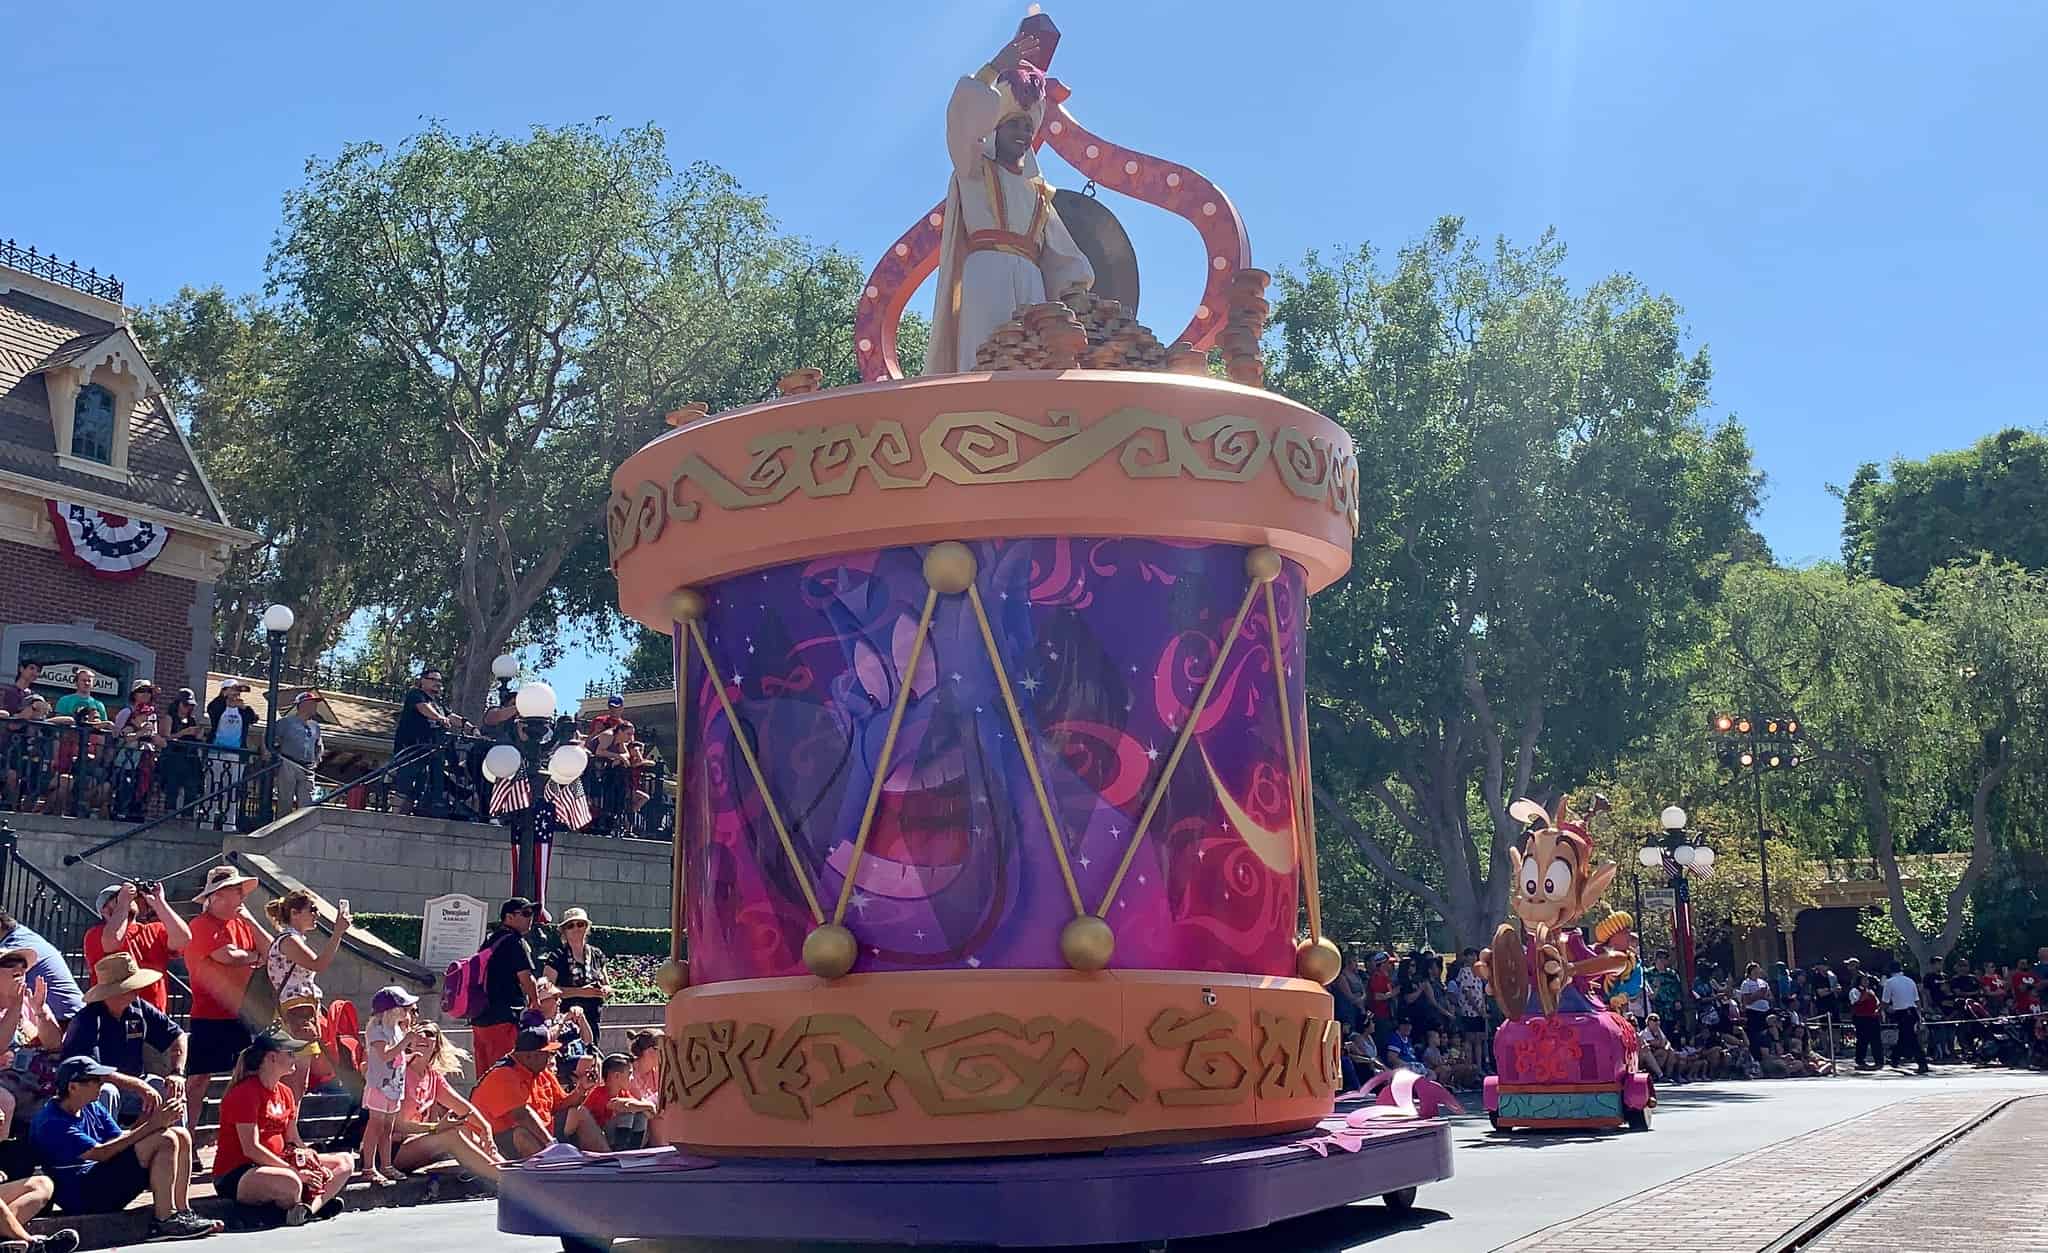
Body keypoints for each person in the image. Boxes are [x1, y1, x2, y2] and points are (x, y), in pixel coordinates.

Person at [925, 27, 1094, 374]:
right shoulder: (973, 170)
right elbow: (962, 121)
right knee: (983, 359)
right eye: (1013, 125)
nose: (1022, 134)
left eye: (1027, 128)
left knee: (1031, 363)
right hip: (985, 275)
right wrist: (991, 70)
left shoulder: (1039, 193)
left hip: (1032, 281)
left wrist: (1078, 293)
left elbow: (1064, 255)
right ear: (996, 130)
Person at [29, 1055, 213, 1240]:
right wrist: (153, 1125)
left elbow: (120, 1139)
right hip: (83, 1195)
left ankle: (182, 1211)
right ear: (73, 1087)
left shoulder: (90, 1106)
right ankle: (165, 1220)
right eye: (95, 1080)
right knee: (164, 1139)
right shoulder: (51, 1121)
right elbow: (101, 1153)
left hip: (102, 1179)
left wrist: (150, 1119)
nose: (101, 1084)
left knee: (180, 1135)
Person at [212, 1031, 351, 1225]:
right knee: (290, 1182)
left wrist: (313, 1163)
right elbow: (250, 1149)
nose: (295, 1057)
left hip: (279, 1164)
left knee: (344, 1162)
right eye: (290, 1053)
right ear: (272, 1057)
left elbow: (293, 1139)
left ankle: (309, 1208)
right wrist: (294, 1170)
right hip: (240, 1172)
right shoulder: (244, 1093)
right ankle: (308, 1204)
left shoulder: (285, 1092)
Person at [182, 866, 264, 1130]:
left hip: (242, 1014)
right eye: (233, 891)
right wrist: (254, 957)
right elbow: (227, 956)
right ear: (215, 896)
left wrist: (252, 923)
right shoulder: (199, 924)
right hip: (209, 1015)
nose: (240, 897)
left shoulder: (242, 924)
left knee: (248, 1078)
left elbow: (271, 949)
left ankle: (240, 1137)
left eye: (240, 892)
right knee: (197, 1081)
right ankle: (189, 1138)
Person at [58, 954, 186, 1123]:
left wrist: (177, 1072)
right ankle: (106, 1145)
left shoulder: (139, 1007)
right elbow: (92, 1071)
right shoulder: (87, 1020)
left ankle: (180, 1143)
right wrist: (138, 1086)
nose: (137, 991)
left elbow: (178, 1035)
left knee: (170, 1089)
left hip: (135, 1087)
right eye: (131, 988)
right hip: (95, 1088)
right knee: (107, 1092)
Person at [390, 1020, 502, 1185]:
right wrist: (435, 1127)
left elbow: (465, 1110)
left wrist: (486, 1130)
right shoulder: (401, 1072)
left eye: (429, 1034)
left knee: (466, 1129)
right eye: (418, 1033)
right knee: (451, 1135)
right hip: (394, 1150)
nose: (423, 1037)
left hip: (419, 1142)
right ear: (409, 1041)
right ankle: (505, 1179)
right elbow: (399, 1125)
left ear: (436, 1045)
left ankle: (504, 1168)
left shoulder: (433, 1076)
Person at [470, 1028, 604, 1160]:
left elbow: (562, 1105)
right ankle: (548, 1175)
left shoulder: (540, 1071)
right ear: (529, 1056)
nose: (551, 1057)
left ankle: (608, 1164)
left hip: (540, 1133)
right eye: (547, 1053)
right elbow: (522, 1115)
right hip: (492, 1143)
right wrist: (552, 1145)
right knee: (522, 1133)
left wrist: (582, 1089)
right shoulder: (503, 1074)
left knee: (579, 1112)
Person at [85, 882, 191, 1017]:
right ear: (105, 910)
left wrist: (159, 903)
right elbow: (112, 942)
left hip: (154, 1015)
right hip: (113, 1015)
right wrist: (123, 904)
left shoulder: (154, 930)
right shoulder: (97, 934)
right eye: (118, 897)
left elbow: (183, 939)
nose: (130, 900)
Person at [470, 899, 541, 1074]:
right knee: (505, 1072)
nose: (530, 918)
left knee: (484, 1074)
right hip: (503, 1018)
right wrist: (536, 1003)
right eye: (524, 913)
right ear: (508, 917)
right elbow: (526, 977)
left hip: (480, 1017)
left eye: (531, 914)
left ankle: (482, 1102)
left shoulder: (490, 940)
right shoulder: (514, 941)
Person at [0, 948, 66, 1138]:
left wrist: (40, 1012)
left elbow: (54, 1044)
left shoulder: (31, 1002)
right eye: (9, 963)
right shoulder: (17, 1004)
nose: (19, 968)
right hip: (7, 1082)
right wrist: (15, 1006)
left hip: (41, 1081)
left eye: (23, 964)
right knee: (4, 1101)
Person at [263, 889, 350, 1008]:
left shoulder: (292, 938)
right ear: (294, 913)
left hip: (301, 1006)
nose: (317, 914)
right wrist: (338, 932)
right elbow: (318, 964)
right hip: (296, 1009)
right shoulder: (289, 940)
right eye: (312, 909)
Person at [393, 669, 459, 816]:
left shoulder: (438, 703)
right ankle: (393, 815)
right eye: (433, 679)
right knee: (404, 785)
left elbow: (452, 716)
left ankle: (405, 814)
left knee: (419, 788)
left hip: (429, 751)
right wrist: (439, 718)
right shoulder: (415, 694)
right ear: (423, 681)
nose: (437, 683)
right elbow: (423, 708)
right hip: (411, 749)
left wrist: (471, 727)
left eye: (439, 681)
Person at [0, 912, 82, 1025]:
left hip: (64, 1019)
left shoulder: (12, 947)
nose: (19, 968)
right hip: (65, 1015)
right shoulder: (22, 935)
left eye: (23, 964)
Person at [542, 909, 610, 1038]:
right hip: (566, 1020)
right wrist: (581, 992)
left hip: (592, 1019)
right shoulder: (557, 956)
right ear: (564, 931)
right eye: (570, 925)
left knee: (591, 1054)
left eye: (580, 924)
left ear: (587, 927)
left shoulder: (597, 954)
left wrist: (605, 989)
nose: (576, 928)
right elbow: (546, 992)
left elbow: (607, 984)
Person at [202, 682, 258, 832]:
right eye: (233, 690)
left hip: (236, 754)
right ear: (224, 691)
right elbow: (212, 709)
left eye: (238, 691)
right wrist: (225, 699)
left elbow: (254, 718)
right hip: (216, 752)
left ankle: (229, 822)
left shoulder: (242, 710)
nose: (236, 694)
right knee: (212, 786)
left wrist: (244, 707)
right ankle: (208, 820)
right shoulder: (218, 707)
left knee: (232, 790)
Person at [580, 1054, 656, 1150]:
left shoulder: (623, 1092)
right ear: (616, 1076)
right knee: (627, 1114)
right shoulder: (599, 1092)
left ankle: (634, 1150)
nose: (632, 1078)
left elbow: (645, 1111)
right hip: (597, 1137)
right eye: (629, 1074)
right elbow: (620, 1105)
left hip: (610, 1134)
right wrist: (648, 1106)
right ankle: (621, 1151)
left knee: (641, 1115)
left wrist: (647, 1107)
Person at [271, 692, 325, 814]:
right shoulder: (286, 722)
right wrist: (270, 755)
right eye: (312, 704)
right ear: (302, 705)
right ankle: (281, 830)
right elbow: (270, 738)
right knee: (285, 800)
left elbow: (319, 745)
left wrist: (316, 760)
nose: (315, 707)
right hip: (288, 763)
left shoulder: (315, 726)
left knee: (307, 803)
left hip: (308, 768)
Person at [1881, 959, 1929, 1074]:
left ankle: (1922, 1063)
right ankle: (1894, 1058)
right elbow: (1917, 1000)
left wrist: (1882, 1010)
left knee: (1911, 1038)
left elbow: (1885, 1001)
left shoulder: (1889, 982)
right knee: (1904, 1036)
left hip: (1901, 1012)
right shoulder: (1910, 980)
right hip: (1912, 1011)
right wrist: (1919, 1015)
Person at [1849, 965, 1885, 1069]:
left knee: (1876, 1040)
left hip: (1873, 1018)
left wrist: (1879, 1011)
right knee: (1862, 1040)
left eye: (1867, 980)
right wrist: (1864, 995)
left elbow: (1877, 1003)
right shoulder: (1854, 991)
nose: (1866, 982)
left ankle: (1879, 1060)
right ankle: (1860, 1060)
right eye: (1864, 980)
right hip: (1861, 1018)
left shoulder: (1871, 991)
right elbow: (1855, 1002)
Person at [1738, 961, 1772, 1062]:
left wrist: (1765, 996)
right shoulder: (1746, 983)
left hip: (1765, 1010)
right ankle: (1757, 1057)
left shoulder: (1763, 982)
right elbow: (1746, 1000)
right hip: (1753, 1011)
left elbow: (1770, 996)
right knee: (1755, 1035)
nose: (1758, 971)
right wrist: (1758, 995)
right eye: (1755, 970)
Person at [1367, 951, 1396, 1051]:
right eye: (1389, 963)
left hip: (1387, 1015)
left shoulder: (1385, 977)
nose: (1391, 965)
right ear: (1383, 964)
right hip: (1379, 1016)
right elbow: (1377, 996)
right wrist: (1393, 993)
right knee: (1382, 1043)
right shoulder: (1377, 977)